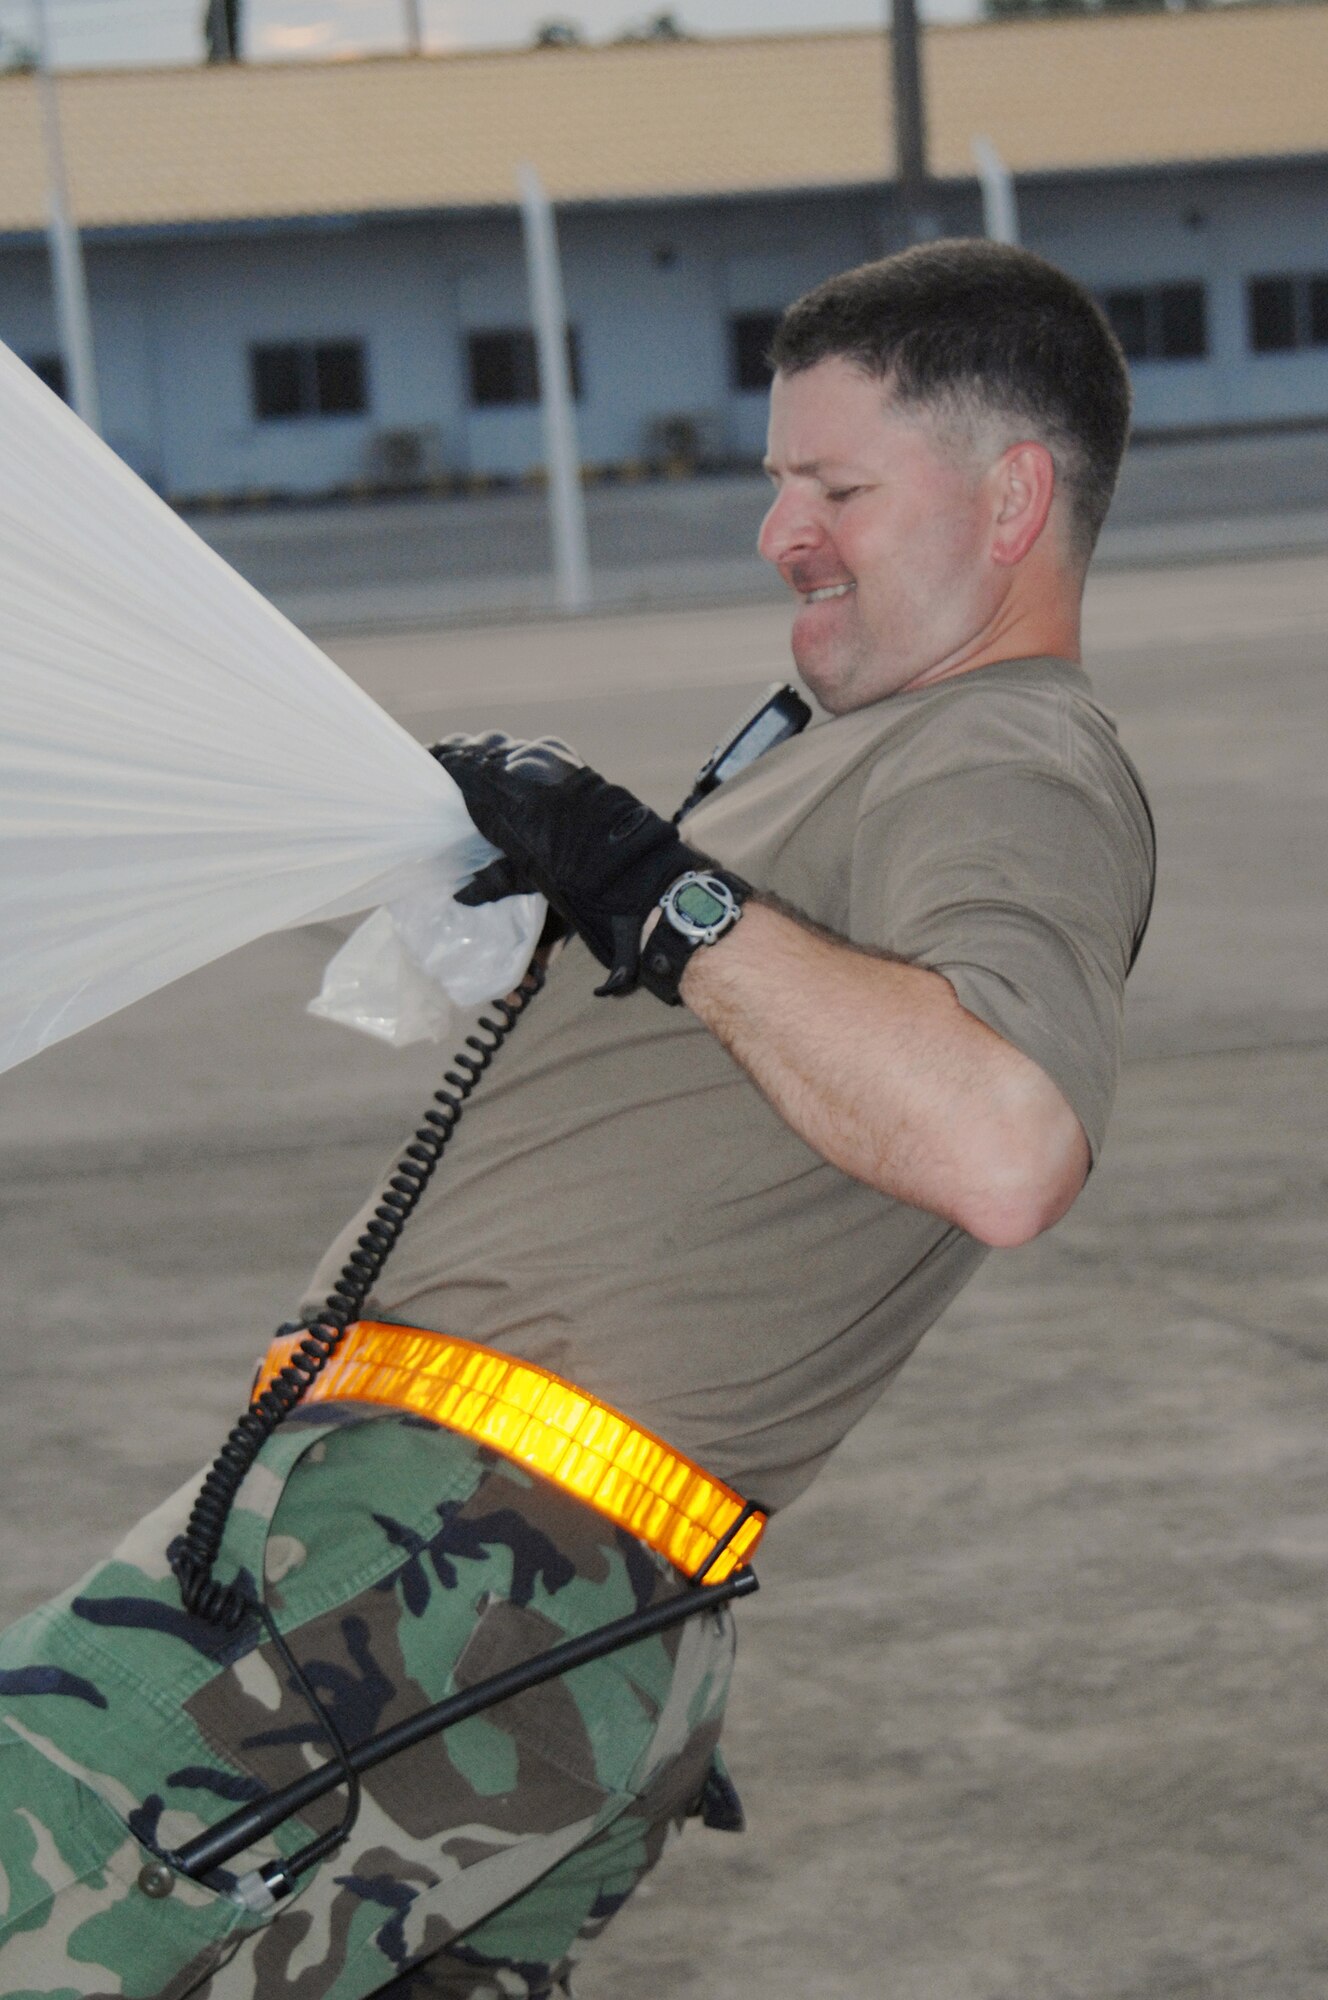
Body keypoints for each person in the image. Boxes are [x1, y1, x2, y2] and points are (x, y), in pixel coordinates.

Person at [0, 239, 1154, 1998]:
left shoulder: (1004, 755)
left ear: (1011, 500)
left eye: (837, 484)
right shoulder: (859, 754)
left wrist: (658, 897)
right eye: (780, 482)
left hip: (438, 1561)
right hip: (496, 1594)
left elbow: (1002, 1143)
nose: (783, 532)